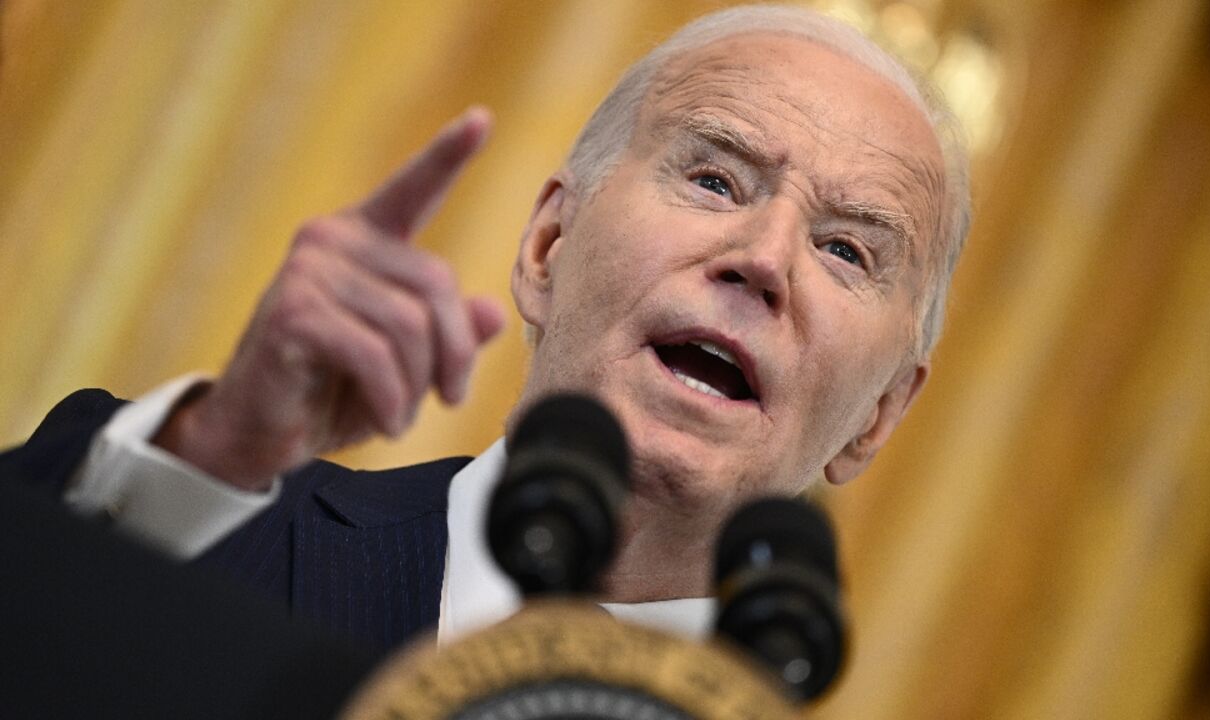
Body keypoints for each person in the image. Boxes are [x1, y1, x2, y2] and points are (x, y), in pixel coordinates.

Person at [3, 5, 968, 655]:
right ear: (549, 244)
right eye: (715, 179)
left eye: (847, 250)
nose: (763, 258)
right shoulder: (214, 525)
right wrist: (216, 457)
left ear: (879, 414)